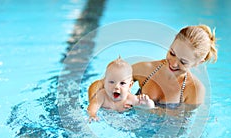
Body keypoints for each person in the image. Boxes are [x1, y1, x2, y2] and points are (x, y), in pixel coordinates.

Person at [89, 24, 217, 111]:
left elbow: (179, 125)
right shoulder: (146, 69)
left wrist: (150, 110)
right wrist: (95, 104)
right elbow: (99, 84)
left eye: (183, 62)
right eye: (172, 53)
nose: (173, 63)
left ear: (198, 63)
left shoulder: (194, 90)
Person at [87, 57, 155, 122]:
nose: (116, 87)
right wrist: (92, 115)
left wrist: (147, 103)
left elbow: (150, 108)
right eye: (111, 82)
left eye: (122, 83)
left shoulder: (129, 98)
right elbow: (92, 107)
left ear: (130, 85)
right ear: (104, 82)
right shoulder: (102, 95)